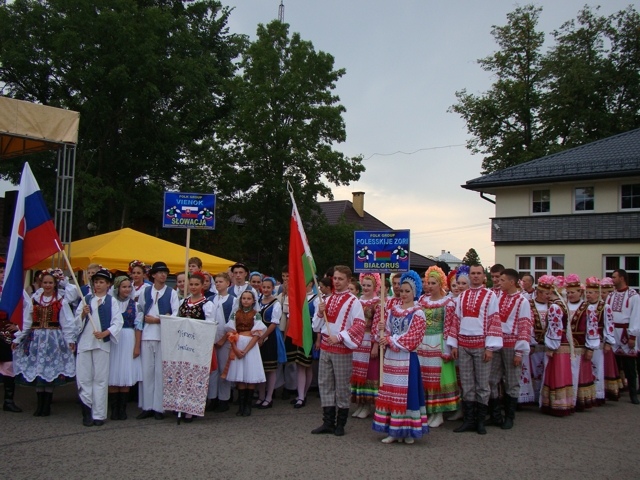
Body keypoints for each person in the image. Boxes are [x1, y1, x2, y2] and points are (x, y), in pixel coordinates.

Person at [372, 270, 428, 444]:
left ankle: (408, 430)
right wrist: (383, 329)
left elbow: (413, 338)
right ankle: (394, 430)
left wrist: (389, 339)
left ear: (415, 292)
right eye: (402, 291)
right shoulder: (393, 310)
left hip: (407, 358)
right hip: (391, 357)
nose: (403, 294)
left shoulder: (418, 313)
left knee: (407, 393)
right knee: (392, 393)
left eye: (407, 291)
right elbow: (386, 331)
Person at [12, 269, 76, 417]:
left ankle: (47, 404)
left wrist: (70, 339)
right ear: (41, 283)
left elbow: (67, 322)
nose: (47, 285)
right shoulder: (35, 299)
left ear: (55, 284)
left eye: (50, 283)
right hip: (36, 338)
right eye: (45, 282)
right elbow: (27, 321)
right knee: (38, 369)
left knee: (50, 369)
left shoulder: (61, 300)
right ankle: (40, 404)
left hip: (53, 339)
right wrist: (18, 338)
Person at [447, 264, 502, 435]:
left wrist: (490, 347)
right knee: (467, 384)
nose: (476, 276)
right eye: (473, 273)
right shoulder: (462, 296)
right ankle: (469, 420)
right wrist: (454, 344)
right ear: (469, 275)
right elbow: (456, 320)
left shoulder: (490, 295)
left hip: (481, 345)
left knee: (483, 385)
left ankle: (480, 421)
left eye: (479, 273)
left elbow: (494, 320)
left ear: (484, 276)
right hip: (463, 345)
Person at [311, 265, 365, 436]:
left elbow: (359, 325)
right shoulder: (326, 299)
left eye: (341, 279)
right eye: (335, 278)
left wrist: (340, 336)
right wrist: (320, 313)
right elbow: (315, 326)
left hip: (341, 349)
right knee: (324, 383)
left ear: (349, 281)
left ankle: (340, 423)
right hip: (326, 347)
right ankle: (327, 422)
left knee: (342, 386)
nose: (337, 281)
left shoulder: (353, 301)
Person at [74, 268, 123, 427]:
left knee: (100, 379)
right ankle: (86, 411)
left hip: (101, 345)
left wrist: (105, 333)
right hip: (85, 344)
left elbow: (118, 322)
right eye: (96, 282)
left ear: (108, 284)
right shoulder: (86, 299)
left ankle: (99, 414)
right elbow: (74, 323)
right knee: (84, 378)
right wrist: (82, 314)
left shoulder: (112, 301)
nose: (98, 285)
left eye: (101, 282)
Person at [487, 268, 531, 429]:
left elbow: (525, 326)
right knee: (491, 379)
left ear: (512, 282)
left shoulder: (522, 301)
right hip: (497, 342)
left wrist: (519, 351)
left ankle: (510, 416)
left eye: (503, 279)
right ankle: (495, 414)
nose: (499, 281)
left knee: (511, 381)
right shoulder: (497, 296)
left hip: (512, 344)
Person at [136, 261, 180, 420]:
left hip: (163, 335)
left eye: (165, 272)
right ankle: (147, 405)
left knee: (160, 372)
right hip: (147, 335)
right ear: (153, 275)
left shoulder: (171, 293)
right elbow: (139, 311)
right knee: (147, 371)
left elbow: (175, 314)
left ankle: (159, 407)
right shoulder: (145, 291)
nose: (163, 275)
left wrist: (159, 320)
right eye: (160, 272)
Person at [417, 266, 459, 428]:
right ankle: (428, 410)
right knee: (425, 375)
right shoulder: (422, 301)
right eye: (428, 282)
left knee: (438, 377)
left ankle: (439, 412)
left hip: (439, 341)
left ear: (440, 283)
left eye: (433, 283)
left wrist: (448, 346)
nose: (429, 286)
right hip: (424, 341)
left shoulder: (448, 303)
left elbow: (450, 326)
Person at [177, 272, 216, 422]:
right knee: (184, 374)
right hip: (184, 343)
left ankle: (193, 407)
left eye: (196, 285)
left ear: (202, 286)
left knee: (196, 376)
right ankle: (182, 404)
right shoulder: (184, 302)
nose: (193, 287)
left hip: (198, 344)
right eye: (191, 284)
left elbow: (210, 325)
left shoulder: (207, 304)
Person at [223, 290, 266, 417]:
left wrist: (246, 350)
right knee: (240, 373)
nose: (246, 300)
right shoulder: (235, 314)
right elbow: (230, 332)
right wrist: (235, 349)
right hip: (238, 342)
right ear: (240, 300)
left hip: (250, 346)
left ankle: (248, 405)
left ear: (253, 301)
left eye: (249, 298)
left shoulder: (256, 314)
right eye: (244, 298)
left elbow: (257, 334)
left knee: (250, 372)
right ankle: (241, 405)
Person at [108, 276, 143, 421]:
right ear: (117, 288)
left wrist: (137, 346)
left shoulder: (135, 305)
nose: (127, 289)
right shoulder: (110, 303)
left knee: (125, 370)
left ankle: (122, 409)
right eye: (124, 287)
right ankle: (113, 409)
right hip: (114, 339)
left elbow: (138, 327)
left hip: (128, 338)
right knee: (113, 371)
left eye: (129, 287)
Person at [540, 280, 576, 416]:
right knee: (563, 373)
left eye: (548, 293)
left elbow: (555, 329)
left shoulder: (555, 307)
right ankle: (564, 403)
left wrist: (551, 346)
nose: (547, 295)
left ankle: (557, 405)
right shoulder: (563, 304)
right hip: (564, 343)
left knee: (557, 373)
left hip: (558, 345)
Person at [350, 272, 381, 419]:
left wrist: (375, 345)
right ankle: (360, 404)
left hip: (369, 339)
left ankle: (368, 405)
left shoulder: (377, 303)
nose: (366, 288)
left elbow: (377, 326)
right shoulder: (357, 301)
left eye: (369, 285)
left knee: (369, 373)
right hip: (357, 340)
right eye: (364, 285)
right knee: (357, 372)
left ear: (375, 286)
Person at [607, 269, 639, 404]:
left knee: (629, 366)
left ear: (622, 278)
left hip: (626, 332)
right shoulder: (611, 295)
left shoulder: (634, 296)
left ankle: (633, 393)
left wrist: (633, 335)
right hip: (613, 332)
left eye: (614, 277)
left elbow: (636, 316)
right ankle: (614, 392)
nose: (612, 279)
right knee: (613, 364)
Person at [583, 277, 615, 405]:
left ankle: (598, 393)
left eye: (591, 293)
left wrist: (609, 342)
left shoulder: (604, 307)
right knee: (588, 367)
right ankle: (587, 392)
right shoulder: (584, 306)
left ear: (597, 293)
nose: (588, 295)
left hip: (600, 341)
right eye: (587, 293)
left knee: (597, 367)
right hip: (587, 341)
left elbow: (610, 324)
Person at [209, 272, 238, 412]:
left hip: (225, 338)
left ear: (228, 283)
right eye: (216, 282)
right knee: (213, 369)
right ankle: (212, 397)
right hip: (210, 336)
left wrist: (223, 339)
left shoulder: (232, 300)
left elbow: (232, 321)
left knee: (223, 368)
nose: (218, 284)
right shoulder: (210, 300)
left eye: (221, 281)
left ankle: (224, 399)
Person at [290, 279, 320, 408]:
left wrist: (318, 339)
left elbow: (320, 321)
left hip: (310, 333)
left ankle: (302, 395)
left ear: (311, 284)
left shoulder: (317, 299)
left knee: (305, 365)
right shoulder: (299, 298)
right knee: (301, 365)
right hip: (299, 333)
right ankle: (301, 394)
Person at [255, 277, 282, 409]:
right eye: (263, 287)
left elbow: (274, 323)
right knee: (260, 368)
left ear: (272, 288)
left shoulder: (276, 303)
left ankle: (269, 396)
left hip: (269, 337)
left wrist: (263, 337)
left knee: (270, 368)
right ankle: (261, 395)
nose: (265, 290)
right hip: (256, 336)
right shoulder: (258, 301)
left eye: (268, 288)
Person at [1, 309, 21, 412]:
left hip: (5, 336)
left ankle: (8, 401)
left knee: (8, 367)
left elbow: (26, 310)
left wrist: (18, 327)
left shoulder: (11, 293)